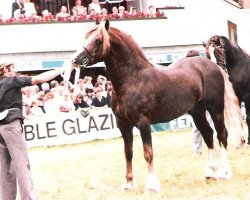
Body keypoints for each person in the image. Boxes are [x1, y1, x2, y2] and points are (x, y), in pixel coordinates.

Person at [0, 61, 74, 200]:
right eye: (13, 68)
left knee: (5, 168)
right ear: (5, 69)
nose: (15, 70)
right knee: (21, 163)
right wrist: (60, 70)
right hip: (11, 124)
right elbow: (39, 79)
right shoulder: (13, 80)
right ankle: (29, 197)